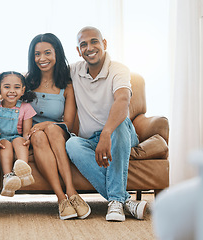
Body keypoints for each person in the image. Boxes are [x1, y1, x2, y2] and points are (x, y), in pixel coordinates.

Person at [65, 26, 147, 222]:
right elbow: (44, 73)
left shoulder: (119, 69)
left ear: (104, 44)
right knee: (71, 144)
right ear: (78, 50)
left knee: (119, 125)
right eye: (83, 44)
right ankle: (123, 202)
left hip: (119, 131)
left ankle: (117, 200)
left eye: (94, 41)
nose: (89, 47)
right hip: (90, 140)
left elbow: (122, 101)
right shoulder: (75, 70)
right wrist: (0, 76)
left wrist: (106, 133)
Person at [26, 33, 91, 220]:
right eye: (37, 54)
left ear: (57, 54)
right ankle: (61, 198)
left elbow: (68, 124)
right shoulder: (28, 82)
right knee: (38, 135)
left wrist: (47, 124)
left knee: (52, 129)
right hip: (34, 136)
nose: (42, 58)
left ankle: (72, 191)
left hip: (57, 131)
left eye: (47, 53)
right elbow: (7, 83)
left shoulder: (67, 85)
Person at [0, 71, 37, 197]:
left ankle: (24, 171)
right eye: (7, 87)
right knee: (5, 145)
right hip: (2, 137)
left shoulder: (26, 107)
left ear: (23, 90)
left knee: (20, 142)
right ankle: (8, 177)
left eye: (17, 87)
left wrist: (27, 140)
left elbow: (26, 133)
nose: (12, 91)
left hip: (17, 137)